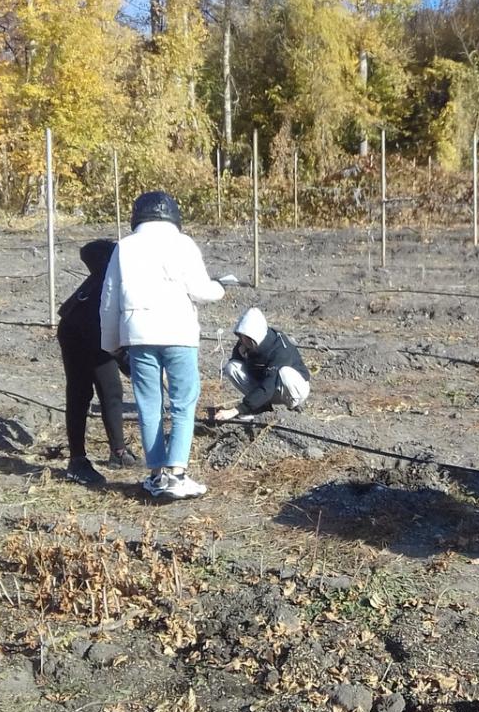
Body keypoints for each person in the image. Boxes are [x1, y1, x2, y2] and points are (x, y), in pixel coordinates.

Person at [100, 191, 225, 499]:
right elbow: (200, 289)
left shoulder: (124, 247)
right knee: (183, 401)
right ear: (173, 215)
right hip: (178, 334)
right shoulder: (182, 244)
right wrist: (220, 288)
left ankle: (156, 474)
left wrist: (111, 343)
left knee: (148, 405)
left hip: (139, 334)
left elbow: (109, 298)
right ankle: (178, 473)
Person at [57, 239, 137, 485]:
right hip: (77, 328)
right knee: (80, 392)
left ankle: (119, 453)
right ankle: (77, 462)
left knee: (111, 390)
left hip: (98, 328)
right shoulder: (119, 263)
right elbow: (88, 250)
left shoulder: (133, 272)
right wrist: (128, 364)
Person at [215, 307, 311, 422]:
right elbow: (237, 364)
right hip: (267, 389)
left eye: (243, 337)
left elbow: (268, 386)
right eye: (240, 336)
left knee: (285, 372)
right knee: (232, 367)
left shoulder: (280, 350)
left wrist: (237, 410)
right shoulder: (245, 344)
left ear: (253, 337)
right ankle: (261, 406)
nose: (241, 340)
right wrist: (243, 356)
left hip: (291, 389)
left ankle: (291, 412)